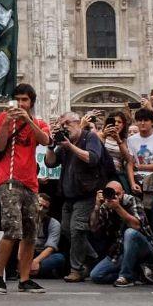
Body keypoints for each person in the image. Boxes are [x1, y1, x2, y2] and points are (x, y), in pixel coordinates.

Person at [0, 83, 51, 294]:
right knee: (12, 228)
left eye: (25, 100)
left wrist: (28, 120)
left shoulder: (38, 121)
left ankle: (24, 279)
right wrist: (7, 123)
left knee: (30, 233)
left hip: (30, 183)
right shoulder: (2, 119)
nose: (21, 103)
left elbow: (45, 140)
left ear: (31, 102)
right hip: (9, 179)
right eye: (18, 100)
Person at [43, 110, 105, 283]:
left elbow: (92, 158)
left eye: (67, 124)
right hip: (68, 196)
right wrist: (50, 145)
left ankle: (76, 269)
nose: (64, 128)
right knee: (66, 230)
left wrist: (70, 146)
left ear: (78, 122)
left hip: (85, 194)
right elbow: (50, 162)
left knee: (77, 230)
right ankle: (92, 257)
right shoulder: (65, 143)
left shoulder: (89, 137)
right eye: (62, 125)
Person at [125, 107, 153, 278]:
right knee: (141, 227)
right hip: (139, 186)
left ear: (152, 122)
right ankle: (144, 263)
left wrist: (140, 166)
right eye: (139, 120)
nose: (142, 123)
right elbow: (129, 163)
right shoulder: (132, 140)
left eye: (146, 120)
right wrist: (132, 182)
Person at [86, 179, 152, 287]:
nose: (114, 197)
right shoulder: (105, 205)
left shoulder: (132, 200)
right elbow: (93, 228)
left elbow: (136, 226)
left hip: (143, 247)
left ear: (123, 193)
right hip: (119, 251)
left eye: (117, 194)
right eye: (111, 193)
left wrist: (117, 207)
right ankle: (136, 274)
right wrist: (97, 207)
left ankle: (126, 276)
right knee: (96, 275)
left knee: (130, 233)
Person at [28, 193, 66, 279]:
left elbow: (51, 247)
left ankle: (30, 270)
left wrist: (36, 261)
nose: (41, 209)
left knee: (59, 258)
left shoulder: (53, 223)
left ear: (48, 210)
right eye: (39, 205)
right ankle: (35, 272)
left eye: (45, 207)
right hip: (26, 254)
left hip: (42, 256)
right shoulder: (24, 220)